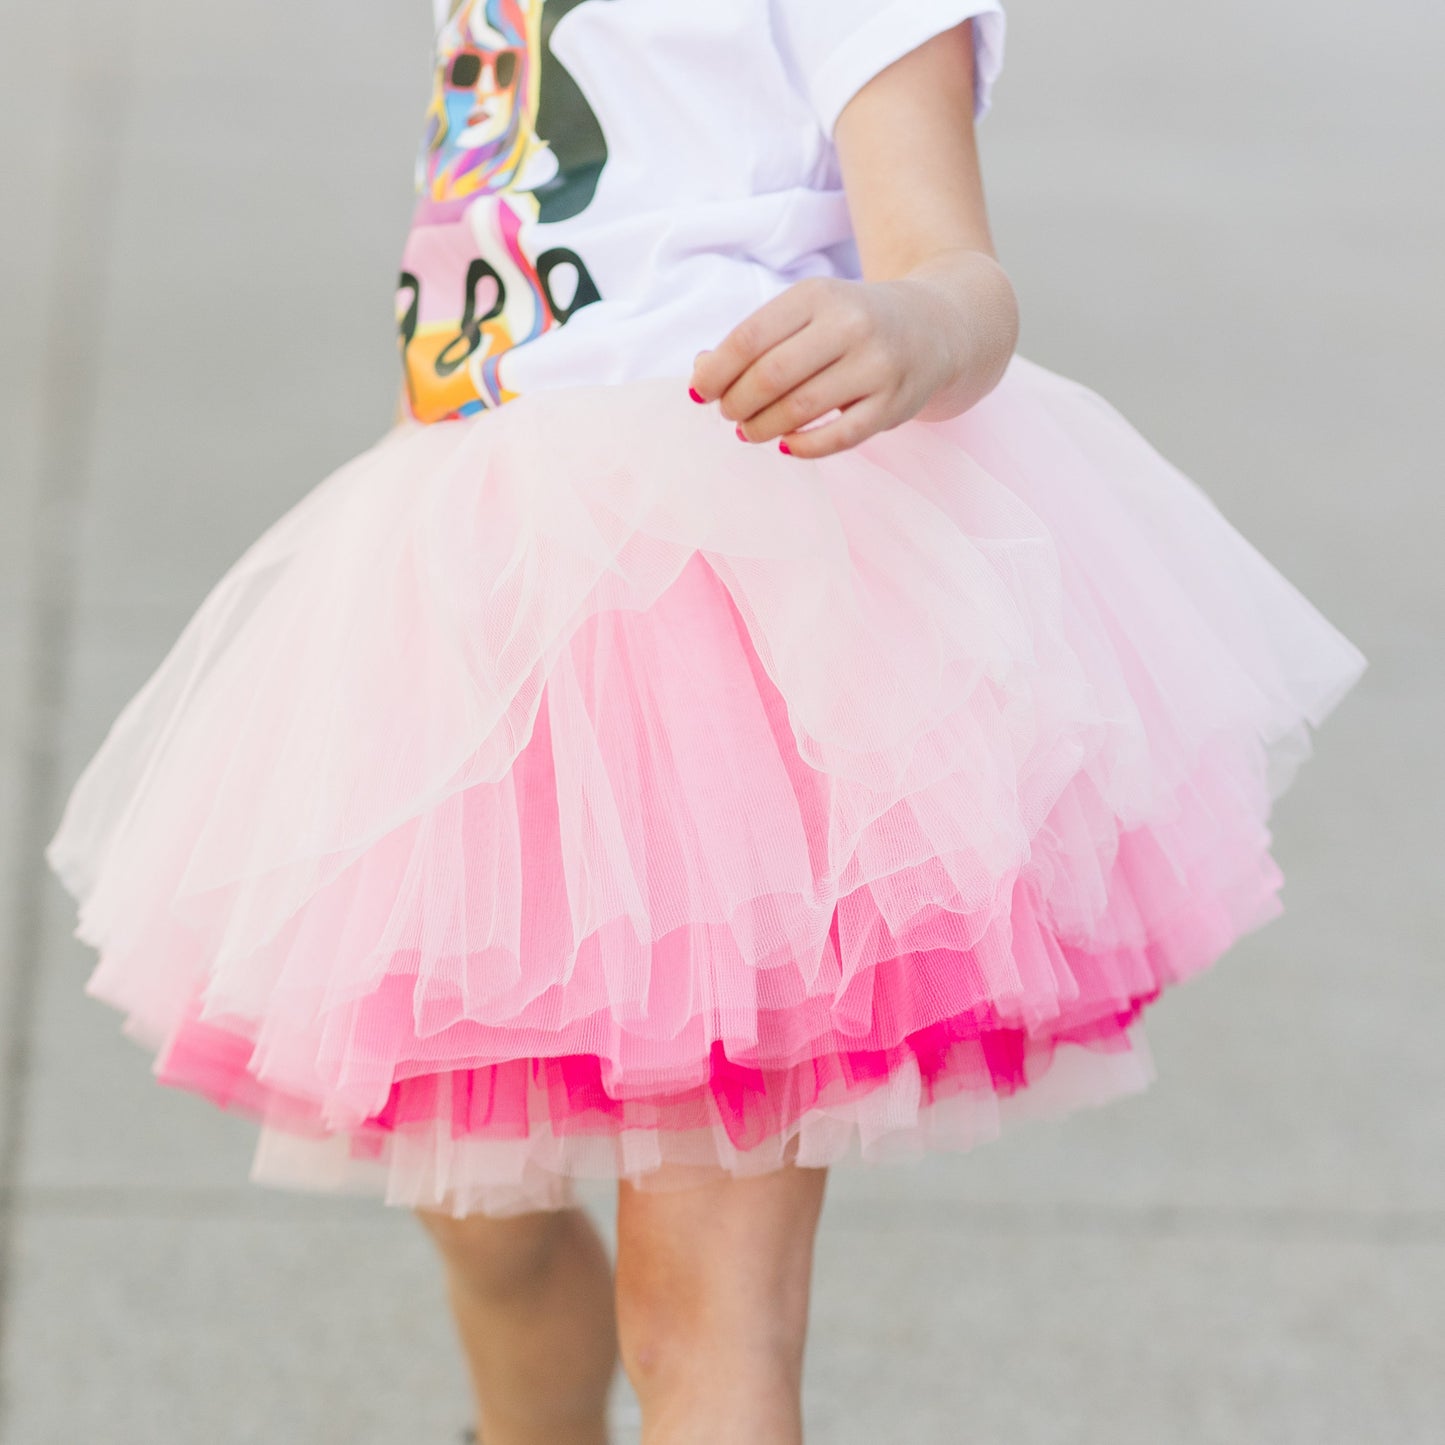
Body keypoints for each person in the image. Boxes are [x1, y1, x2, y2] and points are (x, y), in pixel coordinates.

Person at [44, 3, 1367, 1442]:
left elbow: (958, 272)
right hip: (476, 611)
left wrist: (908, 322)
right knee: (485, 1229)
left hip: (720, 621)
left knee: (703, 1313)